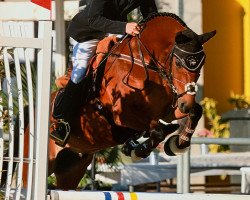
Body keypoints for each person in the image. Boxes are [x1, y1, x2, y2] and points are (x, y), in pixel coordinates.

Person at [50, 0, 158, 146]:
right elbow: (93, 19)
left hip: (115, 29)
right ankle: (62, 121)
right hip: (88, 32)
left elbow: (151, 16)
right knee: (80, 71)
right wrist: (125, 26)